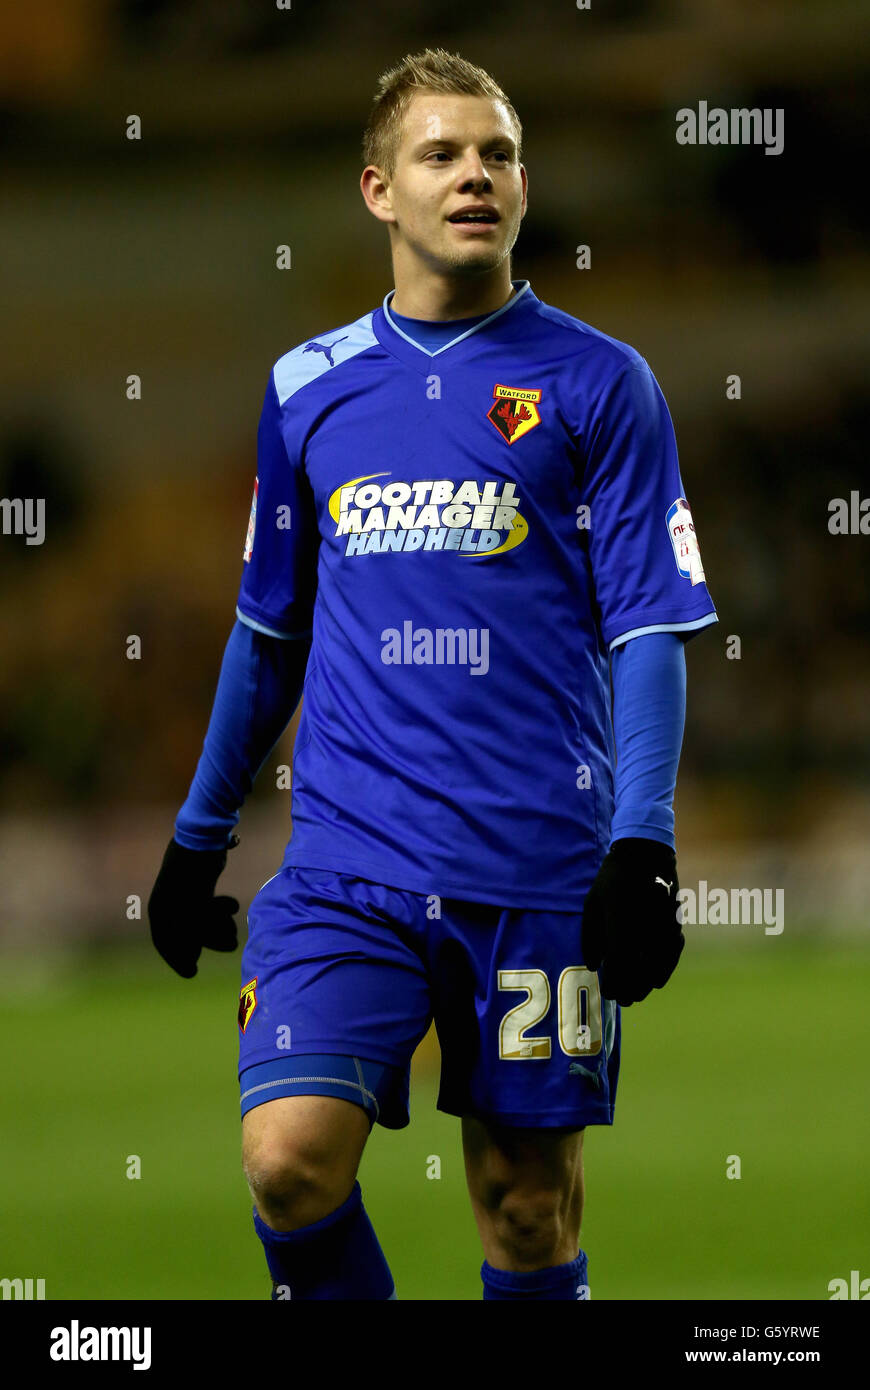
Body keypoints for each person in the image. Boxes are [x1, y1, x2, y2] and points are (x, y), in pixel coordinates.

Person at [148, 47, 718, 1301]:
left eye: (500, 153)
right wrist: (198, 843)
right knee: (289, 1161)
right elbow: (268, 633)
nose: (477, 175)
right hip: (350, 863)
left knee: (525, 1210)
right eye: (442, 154)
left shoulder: (603, 384)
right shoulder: (307, 391)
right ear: (377, 190)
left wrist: (644, 846)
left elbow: (651, 629)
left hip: (539, 868)